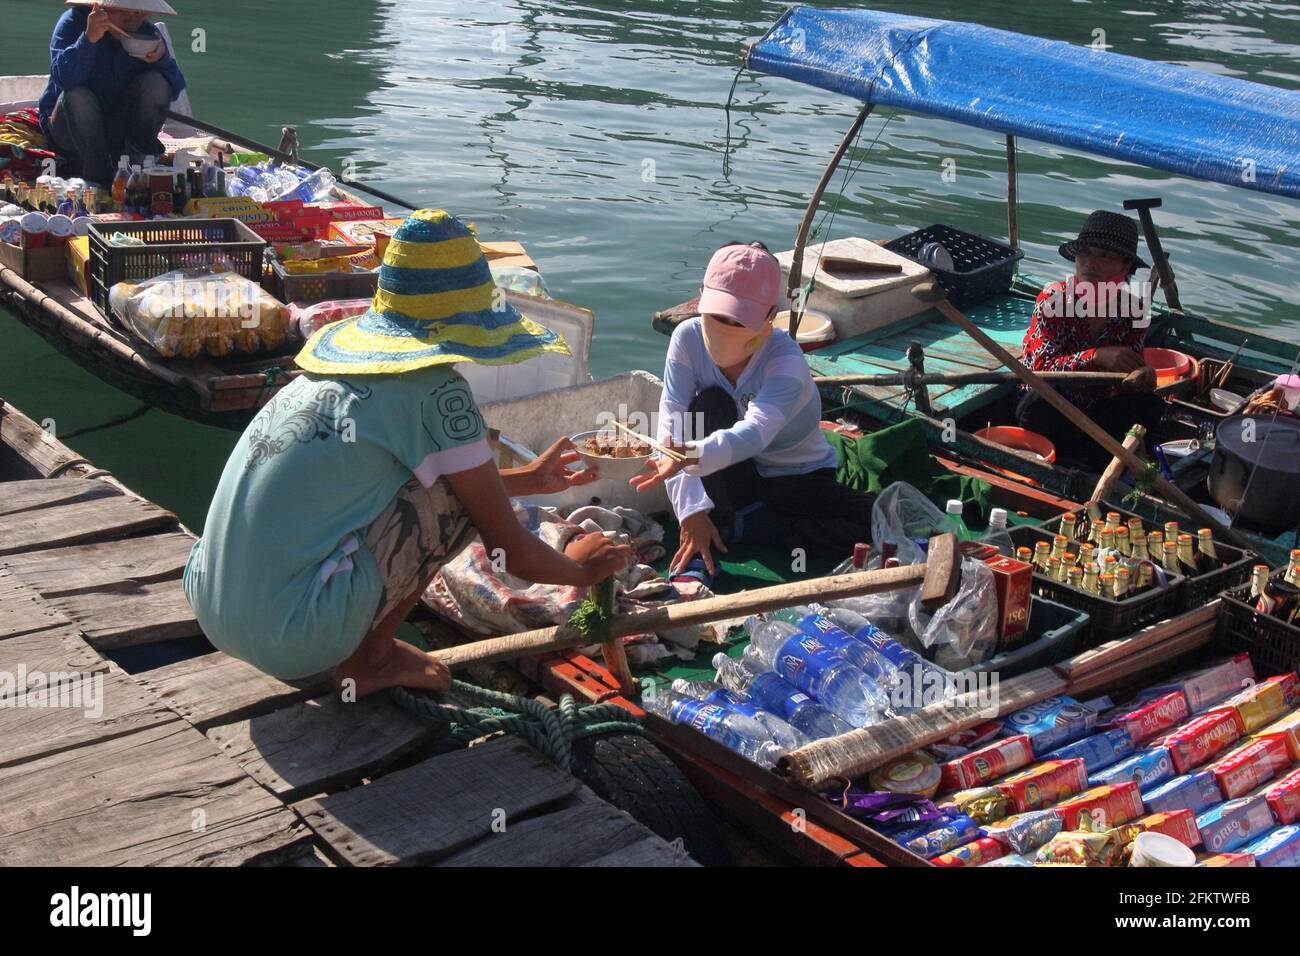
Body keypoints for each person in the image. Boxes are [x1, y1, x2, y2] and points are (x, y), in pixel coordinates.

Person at [183, 210, 631, 697]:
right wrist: (583, 569)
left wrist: (528, 479)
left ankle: (360, 646)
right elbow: (513, 551)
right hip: (295, 638)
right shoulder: (439, 394)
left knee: (437, 489)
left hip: (211, 606)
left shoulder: (324, 381)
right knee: (455, 507)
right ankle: (370, 660)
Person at [630, 241, 875, 581]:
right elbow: (671, 420)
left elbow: (756, 433)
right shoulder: (687, 338)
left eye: (739, 318)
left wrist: (687, 458)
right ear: (700, 296)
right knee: (709, 404)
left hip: (795, 475)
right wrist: (689, 512)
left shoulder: (785, 361)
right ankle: (706, 541)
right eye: (717, 313)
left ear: (771, 316)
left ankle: (748, 527)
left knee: (875, 521)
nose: (726, 324)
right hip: (731, 471)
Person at [1016, 209, 1164, 472]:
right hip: (1054, 410)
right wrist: (1095, 356)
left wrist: (1141, 376)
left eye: (1105, 256)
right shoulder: (1054, 300)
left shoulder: (1134, 310)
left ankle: (1103, 468)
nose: (1090, 263)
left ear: (1125, 266)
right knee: (1039, 404)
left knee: (1149, 405)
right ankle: (1053, 464)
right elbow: (1037, 370)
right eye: (1085, 253)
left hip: (1097, 410)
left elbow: (1124, 378)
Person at [38, 0, 187, 185]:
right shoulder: (74, 21)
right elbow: (64, 79)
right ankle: (97, 175)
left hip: (118, 129)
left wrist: (161, 59)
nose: (133, 18)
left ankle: (137, 164)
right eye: (126, 11)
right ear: (101, 6)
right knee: (77, 95)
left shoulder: (147, 34)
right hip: (70, 129)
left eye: (140, 12)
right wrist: (88, 39)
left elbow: (175, 88)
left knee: (156, 82)